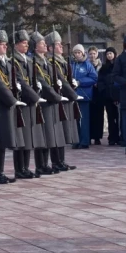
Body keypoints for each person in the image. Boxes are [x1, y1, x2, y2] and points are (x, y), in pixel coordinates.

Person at [0, 29, 26, 184]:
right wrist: (12, 100)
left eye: (5, 44)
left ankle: (0, 172)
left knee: (1, 142)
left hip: (6, 105)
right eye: (1, 44)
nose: (5, 47)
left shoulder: (5, 61)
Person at [10, 29, 47, 178]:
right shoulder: (14, 61)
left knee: (28, 137)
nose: (26, 46)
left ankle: (25, 167)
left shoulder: (27, 60)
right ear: (16, 45)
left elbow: (32, 80)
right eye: (23, 43)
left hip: (30, 101)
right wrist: (35, 97)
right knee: (21, 138)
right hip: (22, 102)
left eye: (27, 43)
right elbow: (20, 81)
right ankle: (19, 169)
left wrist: (37, 88)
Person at [30, 31, 65, 176]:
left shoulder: (45, 62)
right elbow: (43, 83)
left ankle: (47, 163)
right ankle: (41, 165)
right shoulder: (35, 62)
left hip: (50, 100)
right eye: (42, 43)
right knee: (43, 135)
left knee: (49, 134)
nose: (45, 45)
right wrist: (55, 96)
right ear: (35, 47)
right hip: (43, 100)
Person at [46, 30, 78, 171]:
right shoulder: (52, 62)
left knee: (63, 131)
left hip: (65, 99)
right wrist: (73, 94)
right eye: (58, 45)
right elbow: (61, 80)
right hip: (58, 99)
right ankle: (56, 161)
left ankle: (61, 160)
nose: (61, 47)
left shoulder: (62, 61)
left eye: (60, 44)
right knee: (57, 132)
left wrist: (74, 85)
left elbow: (67, 80)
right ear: (50, 48)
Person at [70, 44, 98, 149]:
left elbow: (94, 78)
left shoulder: (87, 65)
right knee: (74, 119)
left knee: (84, 119)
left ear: (82, 53)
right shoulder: (71, 64)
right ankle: (75, 140)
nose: (77, 54)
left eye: (79, 52)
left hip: (84, 95)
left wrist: (80, 82)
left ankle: (85, 141)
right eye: (75, 52)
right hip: (73, 95)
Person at [97, 47, 121, 146]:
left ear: (115, 54)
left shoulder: (119, 66)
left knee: (119, 118)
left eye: (111, 53)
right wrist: (104, 91)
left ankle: (119, 137)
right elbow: (100, 81)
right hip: (107, 96)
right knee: (110, 118)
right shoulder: (103, 68)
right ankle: (112, 137)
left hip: (118, 96)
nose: (109, 55)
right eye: (107, 54)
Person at [88, 46, 104, 145]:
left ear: (97, 54)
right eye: (90, 54)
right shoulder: (86, 65)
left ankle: (97, 137)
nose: (92, 55)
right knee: (90, 115)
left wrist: (99, 83)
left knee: (99, 115)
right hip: (89, 91)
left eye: (94, 53)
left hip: (99, 92)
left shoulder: (101, 66)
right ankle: (89, 135)